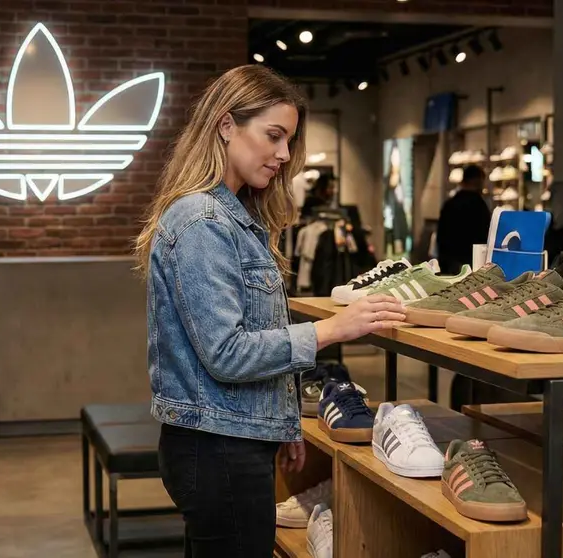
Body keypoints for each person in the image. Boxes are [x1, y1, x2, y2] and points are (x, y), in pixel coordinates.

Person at [133, 65, 407, 558]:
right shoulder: (203, 222)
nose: (283, 155)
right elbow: (226, 352)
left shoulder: (235, 217)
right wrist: (331, 330)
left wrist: (279, 422)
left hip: (229, 439)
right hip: (216, 448)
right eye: (273, 136)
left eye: (288, 140)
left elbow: (246, 340)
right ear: (225, 126)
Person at [436, 165, 491, 275]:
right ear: (478, 181)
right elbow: (484, 235)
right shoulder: (479, 205)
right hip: (472, 262)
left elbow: (441, 236)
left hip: (450, 262)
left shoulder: (450, 204)